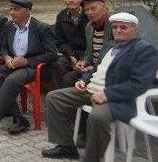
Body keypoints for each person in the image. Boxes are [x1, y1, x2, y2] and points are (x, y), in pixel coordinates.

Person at [42, 12, 158, 161]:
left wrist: (107, 94)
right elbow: (96, 69)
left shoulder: (144, 50)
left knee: (97, 117)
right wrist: (84, 80)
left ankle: (92, 158)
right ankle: (66, 147)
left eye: (124, 27)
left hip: (117, 98)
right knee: (54, 97)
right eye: (115, 27)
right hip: (90, 90)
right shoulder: (109, 45)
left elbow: (139, 84)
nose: (118, 30)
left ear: (135, 30)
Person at [0, 0, 57, 135]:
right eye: (11, 9)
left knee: (11, 80)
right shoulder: (10, 26)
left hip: (32, 67)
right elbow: (3, 48)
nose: (12, 12)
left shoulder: (41, 28)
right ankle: (19, 118)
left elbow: (52, 54)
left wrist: (27, 61)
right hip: (13, 64)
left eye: (16, 9)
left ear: (27, 11)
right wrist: (7, 57)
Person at [52, 0, 89, 88]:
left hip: (88, 54)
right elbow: (59, 41)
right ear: (64, 0)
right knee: (58, 64)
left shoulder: (88, 15)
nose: (71, 0)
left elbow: (92, 42)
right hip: (71, 54)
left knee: (69, 78)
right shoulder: (62, 16)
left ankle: (73, 90)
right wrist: (71, 57)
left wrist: (84, 59)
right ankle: (58, 93)